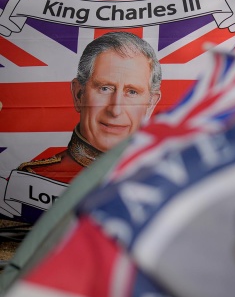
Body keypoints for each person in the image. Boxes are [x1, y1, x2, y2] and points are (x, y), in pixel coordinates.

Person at [17, 31, 162, 184]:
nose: (115, 110)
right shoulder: (34, 179)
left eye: (132, 92)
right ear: (79, 94)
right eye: (105, 88)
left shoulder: (173, 182)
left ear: (151, 103)